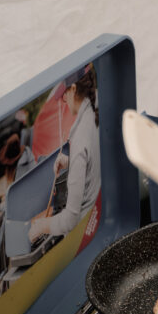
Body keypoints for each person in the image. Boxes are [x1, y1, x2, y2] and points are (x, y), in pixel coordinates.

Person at [29, 65, 101, 243]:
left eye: (64, 95)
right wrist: (70, 162)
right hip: (99, 212)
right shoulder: (95, 112)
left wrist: (40, 226)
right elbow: (94, 159)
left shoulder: (79, 137)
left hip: (86, 233)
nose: (64, 101)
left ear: (74, 89)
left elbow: (70, 219)